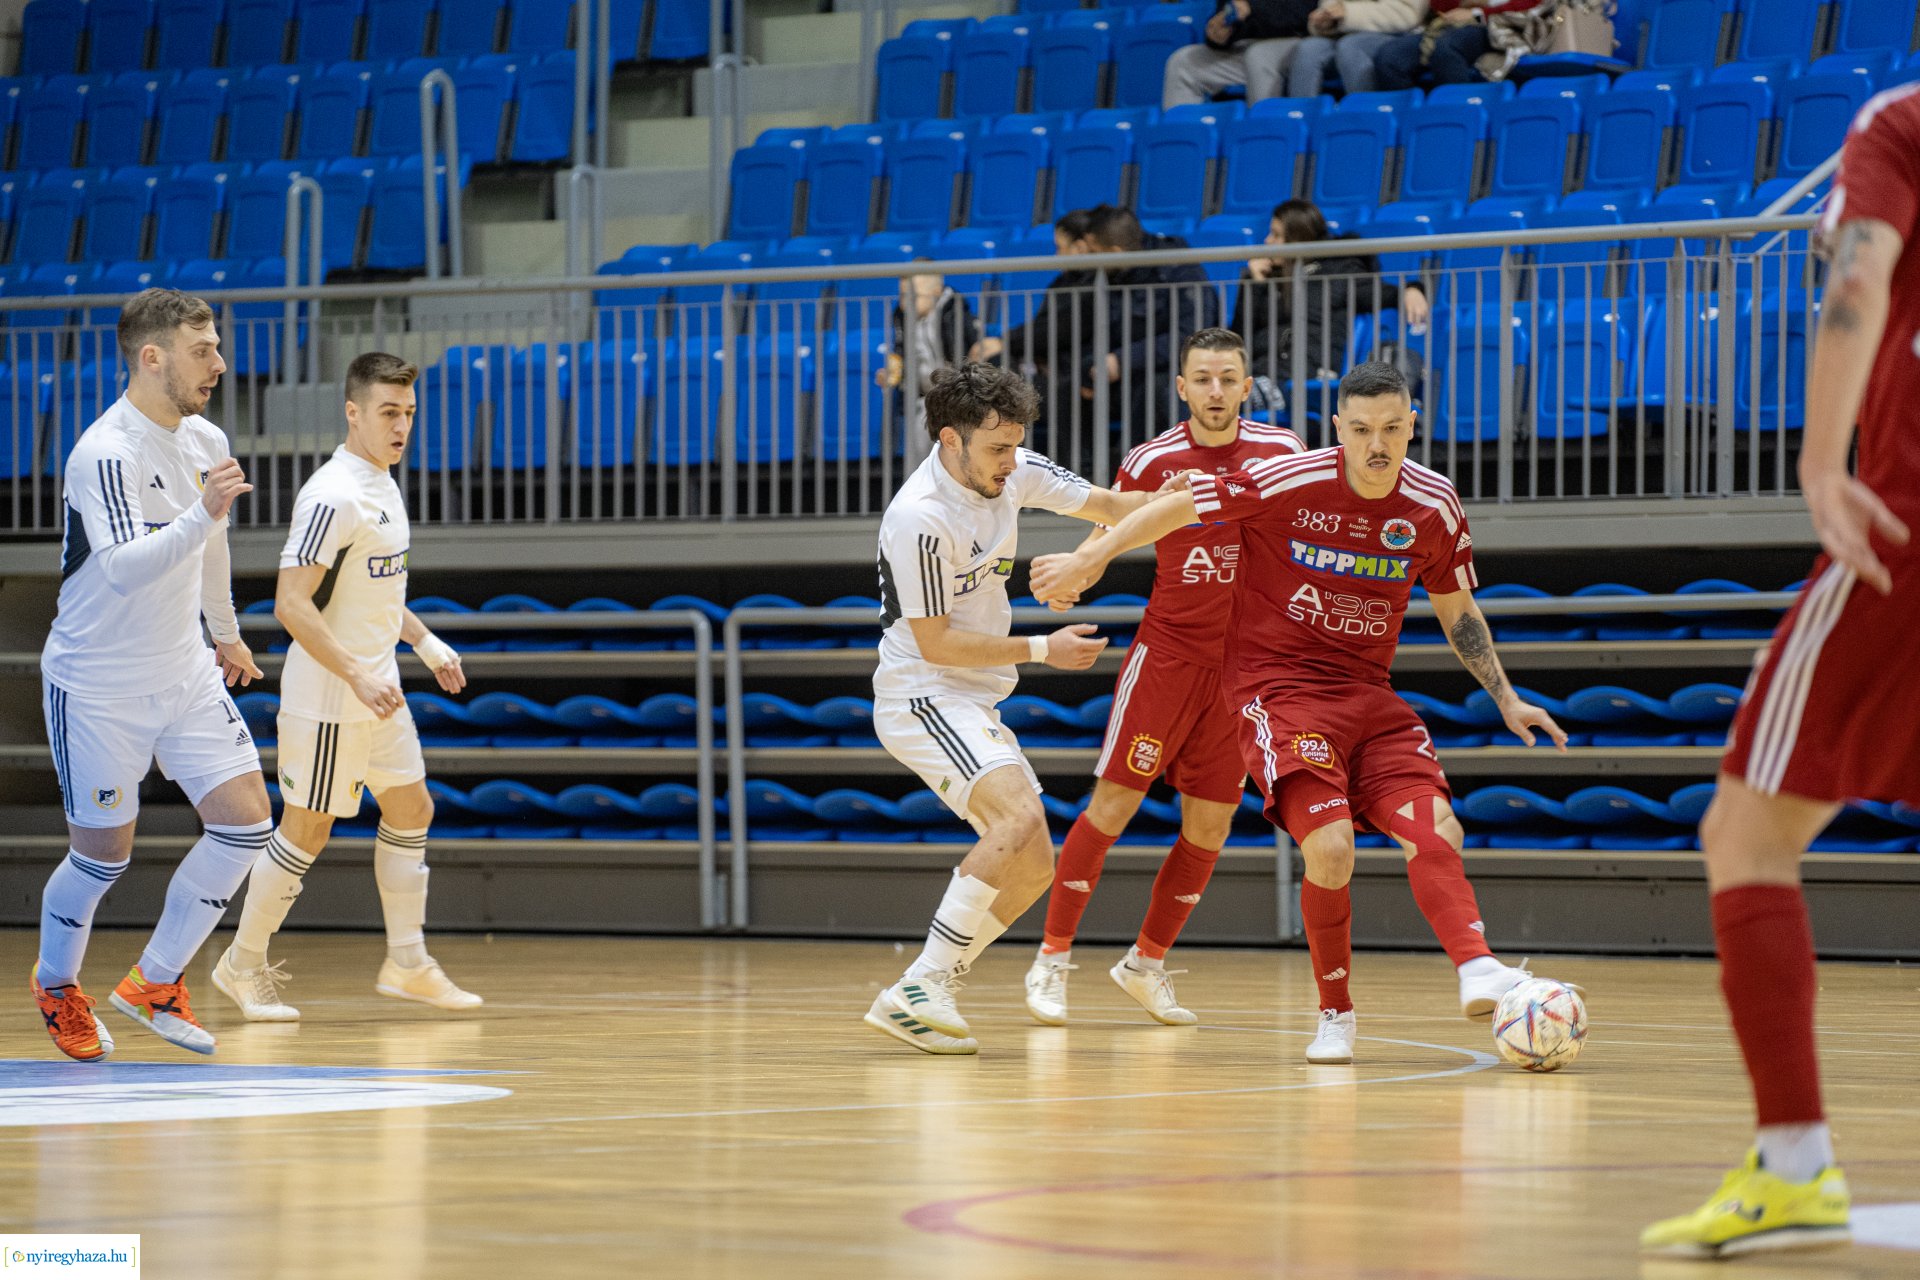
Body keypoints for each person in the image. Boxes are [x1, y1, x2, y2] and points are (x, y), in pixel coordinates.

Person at [1030, 360, 1577, 1065]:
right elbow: (1182, 503)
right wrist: (1095, 556)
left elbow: (1457, 610)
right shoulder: (1294, 477)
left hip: (1368, 696)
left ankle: (1476, 966)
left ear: (1413, 425)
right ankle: (1334, 1014)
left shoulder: (1434, 504)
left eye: (1391, 429)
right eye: (1360, 430)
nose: (1376, 445)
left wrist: (1506, 697)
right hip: (1276, 691)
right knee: (1327, 847)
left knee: (1438, 823)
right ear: (1338, 429)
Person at [1639, 83, 1920, 1261]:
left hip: (1902, 535)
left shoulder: (1900, 123)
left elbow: (1858, 279)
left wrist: (1818, 457)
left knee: (1746, 833)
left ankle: (1796, 1161)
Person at [864, 362, 1180, 1055]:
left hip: (973, 696)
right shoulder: (920, 517)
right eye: (996, 449)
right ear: (950, 440)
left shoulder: (1012, 467)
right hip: (924, 693)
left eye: (1015, 446)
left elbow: (1107, 505)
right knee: (1020, 817)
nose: (1011, 463)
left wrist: (1181, 500)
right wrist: (1041, 648)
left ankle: (927, 981)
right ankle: (922, 985)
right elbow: (937, 642)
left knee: (1036, 862)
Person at [1025, 328, 1304, 1028]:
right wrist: (1075, 573)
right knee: (1112, 808)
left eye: (1227, 378)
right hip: (1170, 656)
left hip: (1241, 672)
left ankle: (1145, 963)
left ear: (1247, 385)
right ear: (1181, 387)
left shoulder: (1284, 452)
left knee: (1209, 827)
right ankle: (1051, 960)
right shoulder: (1153, 458)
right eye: (1202, 378)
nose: (1215, 390)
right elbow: (1111, 525)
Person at [32, 287, 271, 1061]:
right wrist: (201, 513)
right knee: (103, 855)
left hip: (184, 671)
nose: (220, 364)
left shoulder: (206, 438)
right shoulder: (105, 451)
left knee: (246, 824)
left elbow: (214, 546)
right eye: (203, 351)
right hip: (97, 684)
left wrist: (225, 635)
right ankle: (56, 984)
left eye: (218, 347)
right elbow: (129, 568)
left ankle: (155, 981)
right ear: (152, 356)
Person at [210, 352, 481, 1021]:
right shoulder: (332, 494)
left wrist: (424, 641)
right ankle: (241, 964)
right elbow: (291, 604)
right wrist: (357, 673)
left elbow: (376, 589)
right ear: (353, 412)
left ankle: (408, 961)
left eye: (410, 413)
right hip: (333, 696)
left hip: (378, 689)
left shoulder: (383, 485)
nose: (402, 425)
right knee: (308, 828)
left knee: (413, 810)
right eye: (389, 412)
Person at [1235, 199, 1431, 385]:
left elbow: (1377, 293)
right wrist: (1254, 284)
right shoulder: (1268, 279)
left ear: (1297, 239)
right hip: (1260, 371)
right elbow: (1240, 337)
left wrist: (1411, 289)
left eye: (1276, 235)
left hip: (1303, 374)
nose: (1267, 241)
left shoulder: (1338, 271)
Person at [1081, 206, 1220, 436]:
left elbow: (1192, 335)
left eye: (1095, 252)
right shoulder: (1111, 276)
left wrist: (1123, 359)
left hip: (1173, 370)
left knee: (1154, 389)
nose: (1089, 260)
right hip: (1131, 373)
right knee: (1068, 383)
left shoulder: (1179, 268)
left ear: (1115, 252)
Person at [974, 210, 1097, 457]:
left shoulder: (1095, 284)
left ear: (1080, 247)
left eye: (1059, 247)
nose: (1056, 254)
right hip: (1050, 369)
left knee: (1054, 390)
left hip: (1077, 375)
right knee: (996, 368)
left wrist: (1003, 341)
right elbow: (1042, 327)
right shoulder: (1061, 283)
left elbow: (1059, 330)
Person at [878, 265, 982, 442]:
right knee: (921, 434)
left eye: (913, 296)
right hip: (924, 397)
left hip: (957, 396)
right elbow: (899, 352)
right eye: (902, 295)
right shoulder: (901, 316)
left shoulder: (955, 313)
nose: (905, 303)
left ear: (936, 292)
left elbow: (972, 350)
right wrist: (893, 373)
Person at [1164, 0, 1315, 108]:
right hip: (1248, 48)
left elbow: (1305, 13)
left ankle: (1264, 138)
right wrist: (1218, 34)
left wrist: (1252, 8)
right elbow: (1229, 12)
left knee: (1258, 55)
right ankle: (1181, 148)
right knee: (1183, 62)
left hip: (1301, 44)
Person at [1374, 0, 1541, 90]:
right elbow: (1439, 6)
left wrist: (1479, 13)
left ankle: (1459, 120)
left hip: (1506, 25)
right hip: (1453, 25)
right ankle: (1411, 129)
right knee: (1390, 57)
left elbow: (1535, 4)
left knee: (1447, 48)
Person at [1286, 0, 1426, 99]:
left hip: (1395, 35)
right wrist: (1325, 20)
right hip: (1343, 33)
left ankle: (1367, 116)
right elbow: (1330, 6)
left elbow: (1407, 13)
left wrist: (1348, 13)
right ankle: (1301, 124)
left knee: (1350, 46)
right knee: (1308, 48)